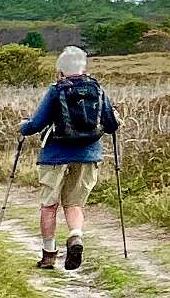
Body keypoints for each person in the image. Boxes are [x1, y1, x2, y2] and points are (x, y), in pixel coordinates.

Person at [17, 46, 120, 270]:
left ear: (60, 70)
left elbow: (35, 125)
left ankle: (49, 256)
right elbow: (112, 125)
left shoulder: (56, 90)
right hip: (88, 155)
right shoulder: (98, 89)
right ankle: (75, 237)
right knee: (74, 203)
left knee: (49, 206)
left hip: (54, 156)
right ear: (84, 67)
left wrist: (23, 127)